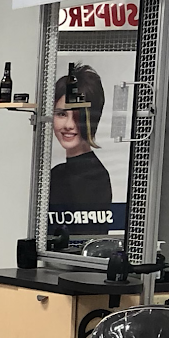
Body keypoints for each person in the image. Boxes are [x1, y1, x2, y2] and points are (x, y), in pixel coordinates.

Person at [47, 65, 115, 233]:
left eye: (78, 116)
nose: (68, 125)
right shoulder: (56, 174)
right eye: (61, 114)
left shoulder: (95, 178)